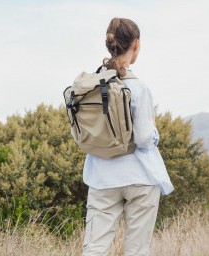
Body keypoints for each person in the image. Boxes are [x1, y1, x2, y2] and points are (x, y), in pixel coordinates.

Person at [81, 17, 175, 256]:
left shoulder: (90, 85)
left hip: (101, 176)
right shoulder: (139, 88)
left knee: (94, 248)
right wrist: (155, 135)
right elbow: (144, 139)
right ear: (136, 45)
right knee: (137, 251)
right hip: (140, 177)